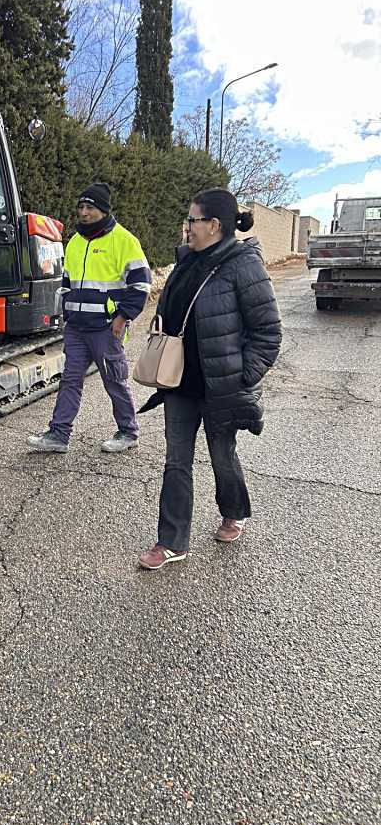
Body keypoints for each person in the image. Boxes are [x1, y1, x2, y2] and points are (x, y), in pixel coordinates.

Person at [137, 188, 282, 569]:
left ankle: (234, 512)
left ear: (214, 225)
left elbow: (268, 333)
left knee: (222, 455)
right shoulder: (186, 262)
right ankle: (172, 542)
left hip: (222, 387)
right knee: (176, 460)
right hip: (181, 383)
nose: (187, 227)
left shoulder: (243, 265)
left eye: (192, 220)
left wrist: (241, 377)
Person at [27, 182, 152, 453]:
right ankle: (59, 435)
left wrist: (122, 319)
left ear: (104, 210)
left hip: (106, 329)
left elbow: (141, 285)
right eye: (81, 207)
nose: (83, 212)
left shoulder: (124, 241)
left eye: (90, 207)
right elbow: (67, 282)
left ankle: (128, 432)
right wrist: (66, 315)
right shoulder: (75, 242)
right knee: (70, 380)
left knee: (114, 381)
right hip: (77, 329)